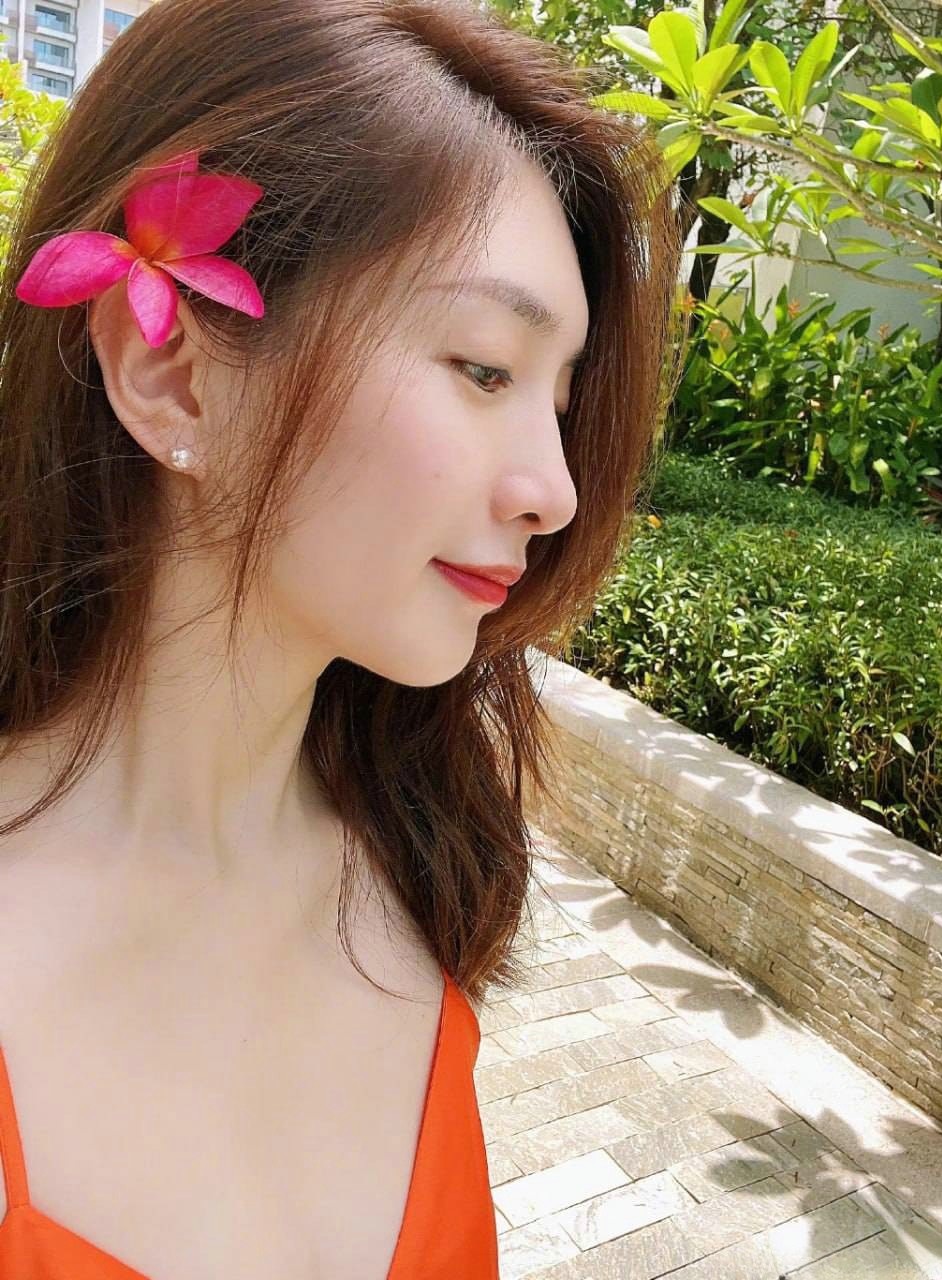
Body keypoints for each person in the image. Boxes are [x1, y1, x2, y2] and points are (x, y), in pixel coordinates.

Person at [0, 0, 680, 1275]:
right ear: (172, 376)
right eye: (483, 368)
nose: (554, 489)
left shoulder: (419, 885)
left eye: (559, 398)